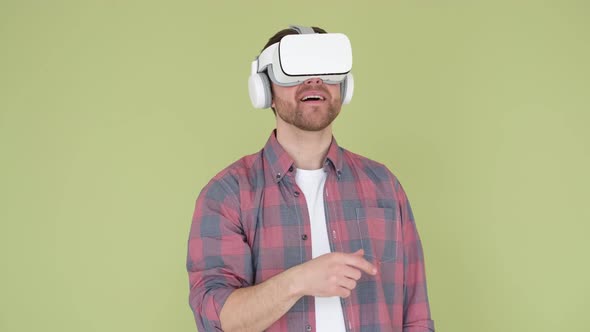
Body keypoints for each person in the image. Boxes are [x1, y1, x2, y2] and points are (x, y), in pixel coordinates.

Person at [186, 25, 435, 332]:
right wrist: (300, 280)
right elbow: (218, 321)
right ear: (264, 89)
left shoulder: (384, 186)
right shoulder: (226, 194)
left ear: (345, 86)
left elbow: (417, 317)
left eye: (326, 69)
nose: (314, 80)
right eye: (296, 70)